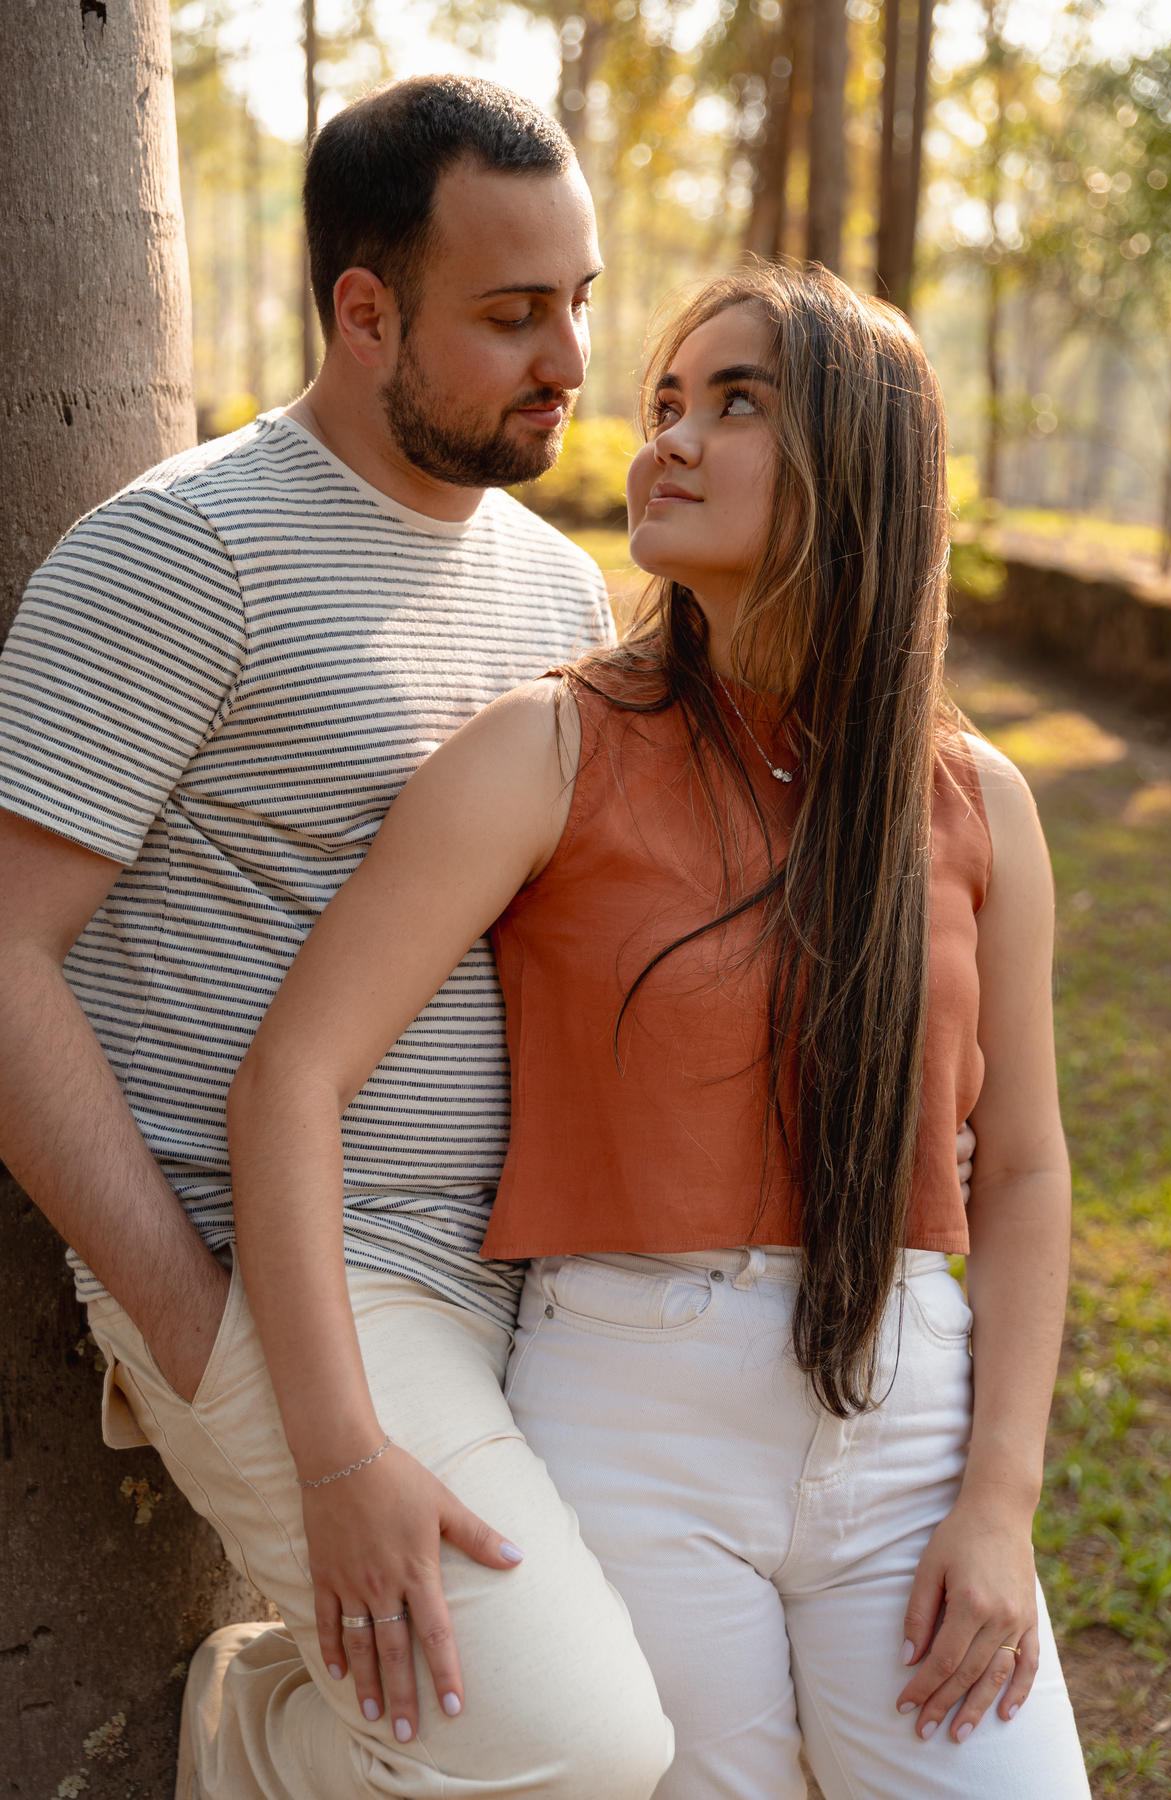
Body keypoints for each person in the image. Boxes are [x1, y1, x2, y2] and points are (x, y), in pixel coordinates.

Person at [228, 263, 1090, 1800]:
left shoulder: (978, 804)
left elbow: (1019, 1167)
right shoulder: (548, 748)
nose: (668, 441)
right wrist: (339, 1452)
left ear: (864, 456)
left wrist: (999, 1503)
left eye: (735, 402)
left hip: (910, 1413)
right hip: (632, 1414)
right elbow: (291, 1079)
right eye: (666, 405)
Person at [0, 76, 673, 1800]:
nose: (572, 358)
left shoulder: (556, 588)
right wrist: (193, 1324)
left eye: (581, 301)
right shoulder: (181, 553)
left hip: (533, 1284)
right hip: (298, 1282)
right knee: (573, 1749)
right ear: (362, 312)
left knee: (711, 1709)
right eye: (513, 314)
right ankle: (243, 1741)